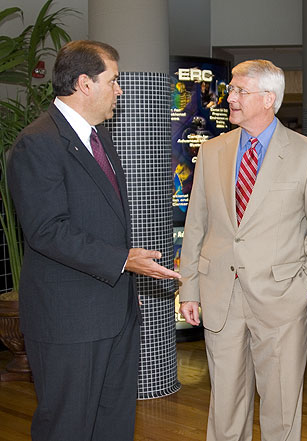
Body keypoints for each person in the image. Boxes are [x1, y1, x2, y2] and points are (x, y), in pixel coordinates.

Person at [7, 40, 180, 441]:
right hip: (69, 321)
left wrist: (122, 281)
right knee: (68, 426)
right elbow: (47, 230)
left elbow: (103, 222)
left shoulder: (99, 138)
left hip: (113, 311)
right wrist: (123, 261)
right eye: (114, 80)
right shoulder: (39, 143)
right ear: (84, 83)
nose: (120, 90)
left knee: (114, 423)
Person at [179, 59, 307, 441]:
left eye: (238, 91)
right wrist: (190, 288)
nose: (228, 97)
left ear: (269, 99)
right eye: (230, 90)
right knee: (225, 407)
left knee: (281, 409)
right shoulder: (212, 151)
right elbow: (197, 225)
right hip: (221, 296)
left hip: (282, 301)